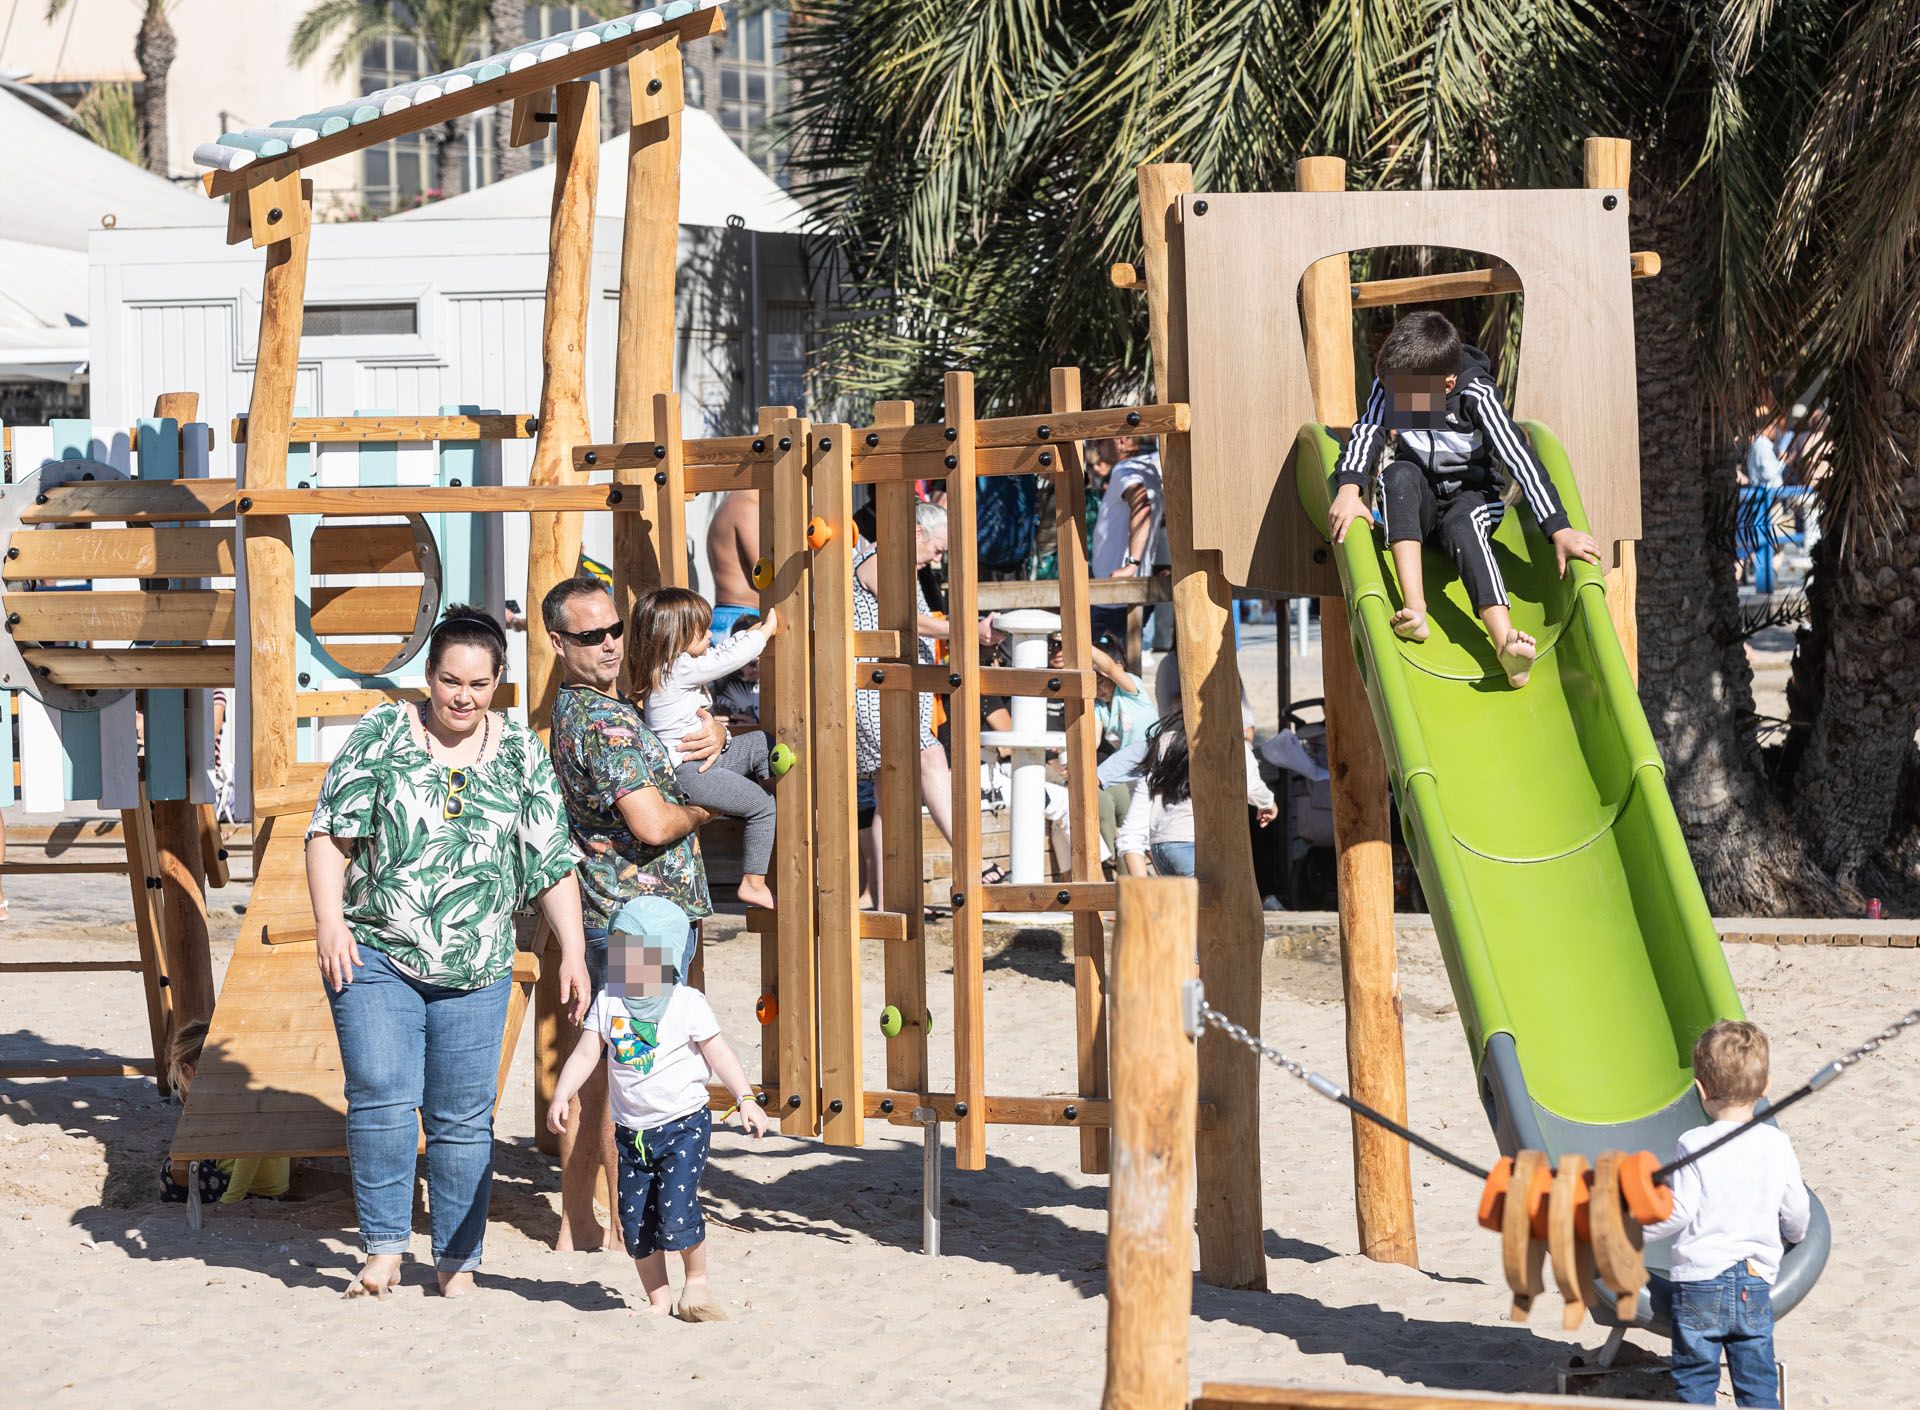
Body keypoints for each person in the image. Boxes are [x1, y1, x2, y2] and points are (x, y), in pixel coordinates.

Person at [307, 606, 591, 1298]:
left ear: (498, 682)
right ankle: (381, 1252)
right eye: (449, 681)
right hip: (376, 950)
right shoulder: (382, 735)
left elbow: (551, 862)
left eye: (479, 684)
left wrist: (576, 954)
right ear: (428, 676)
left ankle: (457, 1263)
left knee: (464, 1118)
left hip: (480, 963)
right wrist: (329, 924)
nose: (462, 696)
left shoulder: (521, 751)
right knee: (379, 1095)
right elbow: (328, 835)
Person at [543, 573, 725, 1253]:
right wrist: (708, 806)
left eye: (615, 628)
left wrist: (713, 732)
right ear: (559, 643)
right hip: (638, 917)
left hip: (619, 912)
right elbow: (650, 824)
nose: (611, 644)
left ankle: (579, 1223)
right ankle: (619, 1225)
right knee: (632, 1073)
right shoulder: (604, 721)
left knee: (609, 1064)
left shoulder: (580, 708)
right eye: (591, 637)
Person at [1326, 311, 1602, 688]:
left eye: (1407, 397)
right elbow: (1367, 432)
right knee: (1397, 476)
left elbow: (1519, 457)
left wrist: (1559, 529)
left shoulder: (1476, 393)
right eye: (1392, 393)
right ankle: (1416, 609)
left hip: (1473, 496)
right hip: (1419, 501)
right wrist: (1348, 489)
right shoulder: (1392, 385)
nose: (1396, 403)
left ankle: (1504, 640)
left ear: (1447, 384)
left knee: (1463, 521)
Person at [548, 895, 769, 1320]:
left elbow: (720, 1055)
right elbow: (584, 1054)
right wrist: (562, 1094)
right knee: (635, 1222)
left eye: (637, 954)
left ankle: (697, 1282)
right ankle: (658, 1298)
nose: (625, 963)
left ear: (664, 956)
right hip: (631, 1133)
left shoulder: (687, 1004)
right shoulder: (610, 1000)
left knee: (676, 1207)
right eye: (619, 952)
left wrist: (745, 1099)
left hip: (683, 1126)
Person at [1642, 1021, 1809, 1408]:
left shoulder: (1693, 1142)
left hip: (1700, 1282)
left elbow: (1678, 1212)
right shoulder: (1776, 1143)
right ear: (1765, 1087)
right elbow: (1797, 1210)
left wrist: (1631, 1236)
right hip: (1754, 1280)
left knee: (1696, 1380)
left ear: (1700, 1090)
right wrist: (1795, 1237)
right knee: (1757, 1382)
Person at [852, 500, 1000, 899]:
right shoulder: (882, 559)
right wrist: (967, 630)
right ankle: (972, 858)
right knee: (931, 758)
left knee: (890, 791)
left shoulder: (901, 565)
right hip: (877, 689)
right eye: (936, 549)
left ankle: (887, 898)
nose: (935, 560)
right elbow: (905, 617)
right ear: (916, 532)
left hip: (895, 687)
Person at [629, 587, 780, 911]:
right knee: (763, 807)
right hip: (690, 774)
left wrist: (751, 635)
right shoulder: (676, 669)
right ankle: (753, 883)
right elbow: (726, 659)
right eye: (703, 630)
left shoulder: (671, 667)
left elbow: (721, 653)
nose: (711, 634)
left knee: (760, 742)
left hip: (705, 760)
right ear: (679, 637)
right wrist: (764, 632)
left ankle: (770, 784)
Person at [1117, 711, 1275, 878]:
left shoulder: (1167, 744)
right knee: (1220, 902)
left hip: (1162, 846)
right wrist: (1268, 804)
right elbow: (1251, 786)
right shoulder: (1230, 742)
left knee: (1183, 904)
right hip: (1193, 845)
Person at [158, 1016, 291, 1205]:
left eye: (182, 1079)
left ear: (191, 1070)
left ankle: (175, 1211)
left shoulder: (232, 1103)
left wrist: (231, 1199)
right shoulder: (241, 1087)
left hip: (255, 1193)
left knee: (169, 1171)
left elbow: (250, 1153)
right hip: (274, 1186)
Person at [1088, 440, 1162, 646]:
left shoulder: (1124, 469)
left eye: (1100, 441)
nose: (1098, 449)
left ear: (1119, 441)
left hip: (1115, 595)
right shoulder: (1152, 465)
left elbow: (1141, 503)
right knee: (1122, 667)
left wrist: (1132, 564)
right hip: (1132, 591)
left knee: (1101, 670)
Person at [704, 488, 763, 639]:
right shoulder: (747, 507)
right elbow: (764, 573)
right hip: (741, 621)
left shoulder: (730, 503)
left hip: (727, 615)